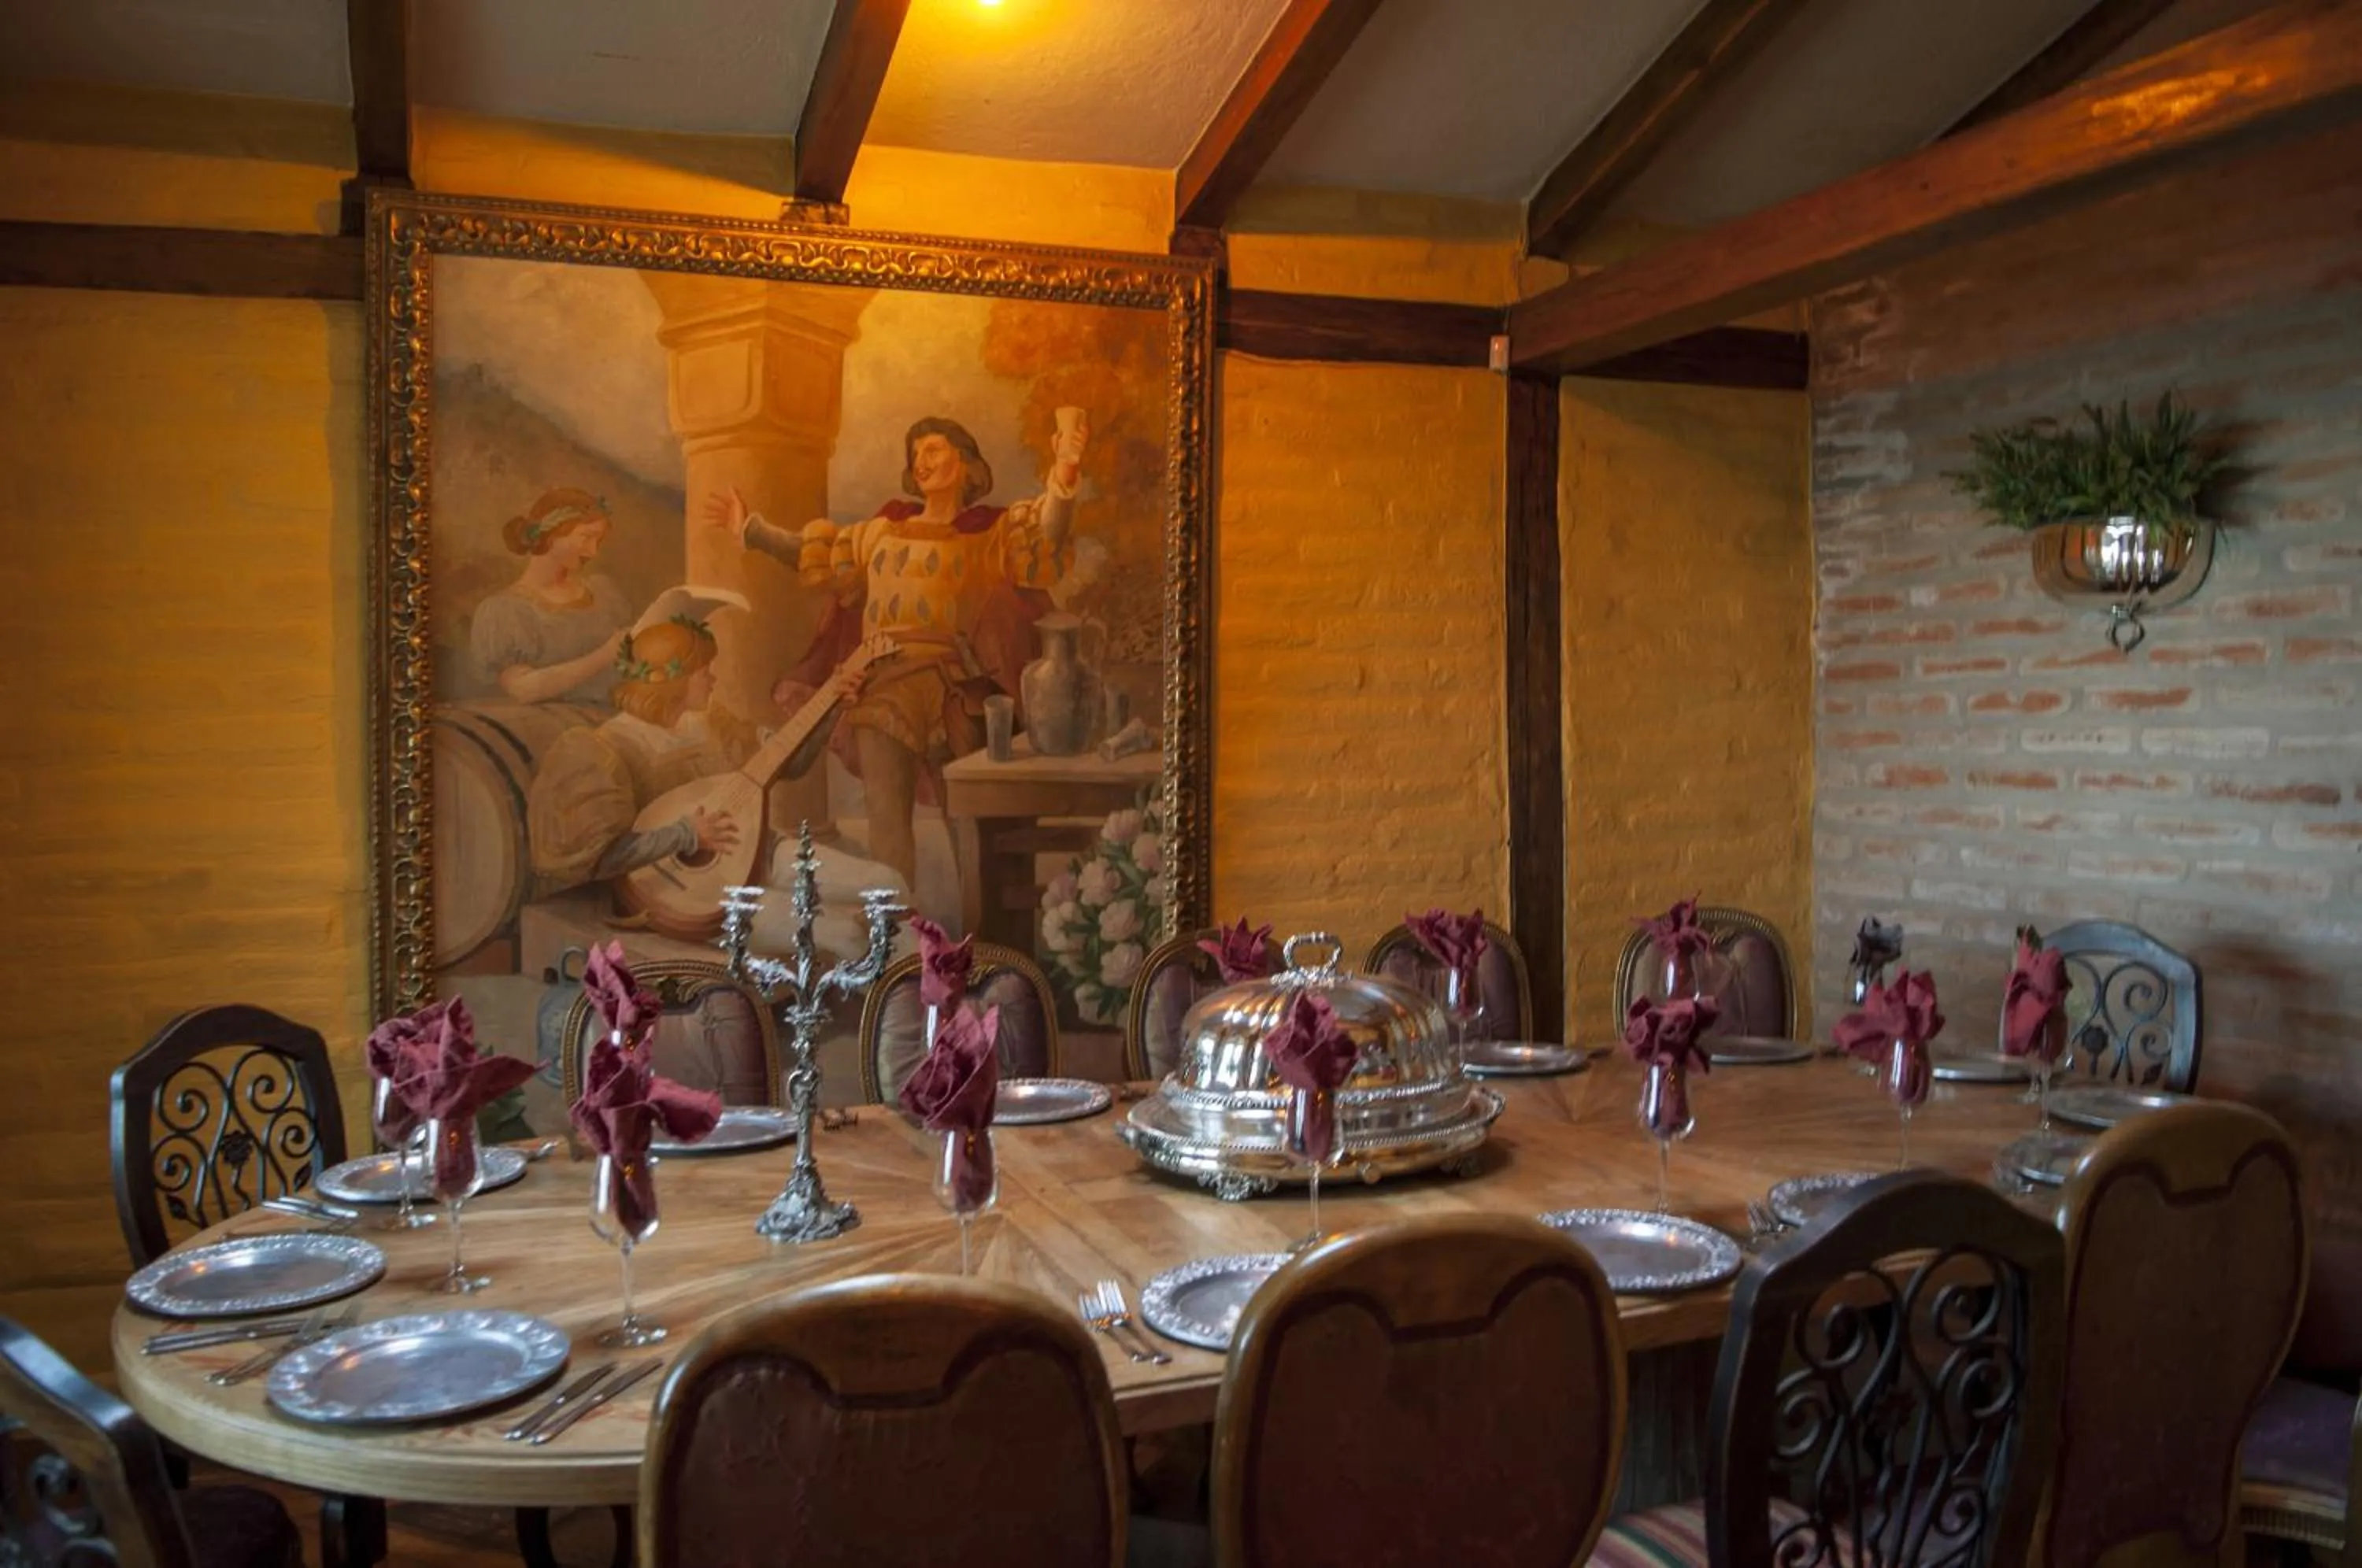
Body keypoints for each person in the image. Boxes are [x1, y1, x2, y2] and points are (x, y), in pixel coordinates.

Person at [704, 411, 1089, 890]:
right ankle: (897, 940)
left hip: (954, 689)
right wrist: (752, 530)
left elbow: (1046, 535)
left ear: (966, 464)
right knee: (888, 824)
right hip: (881, 683)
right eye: (916, 454)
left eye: (933, 450)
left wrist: (1066, 470)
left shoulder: (991, 531)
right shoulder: (881, 531)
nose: (921, 461)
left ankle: (975, 936)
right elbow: (812, 551)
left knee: (967, 819)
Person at [527, 609, 757, 894]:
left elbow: (770, 766)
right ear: (677, 681)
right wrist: (685, 835)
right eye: (704, 673)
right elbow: (600, 859)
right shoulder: (606, 749)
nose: (713, 680)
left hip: (728, 867)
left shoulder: (708, 725)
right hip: (658, 893)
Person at [470, 487, 633, 704]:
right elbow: (523, 690)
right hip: (555, 725)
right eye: (586, 538)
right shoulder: (504, 611)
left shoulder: (602, 591)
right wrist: (605, 655)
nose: (593, 552)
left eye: (598, 541)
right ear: (552, 533)